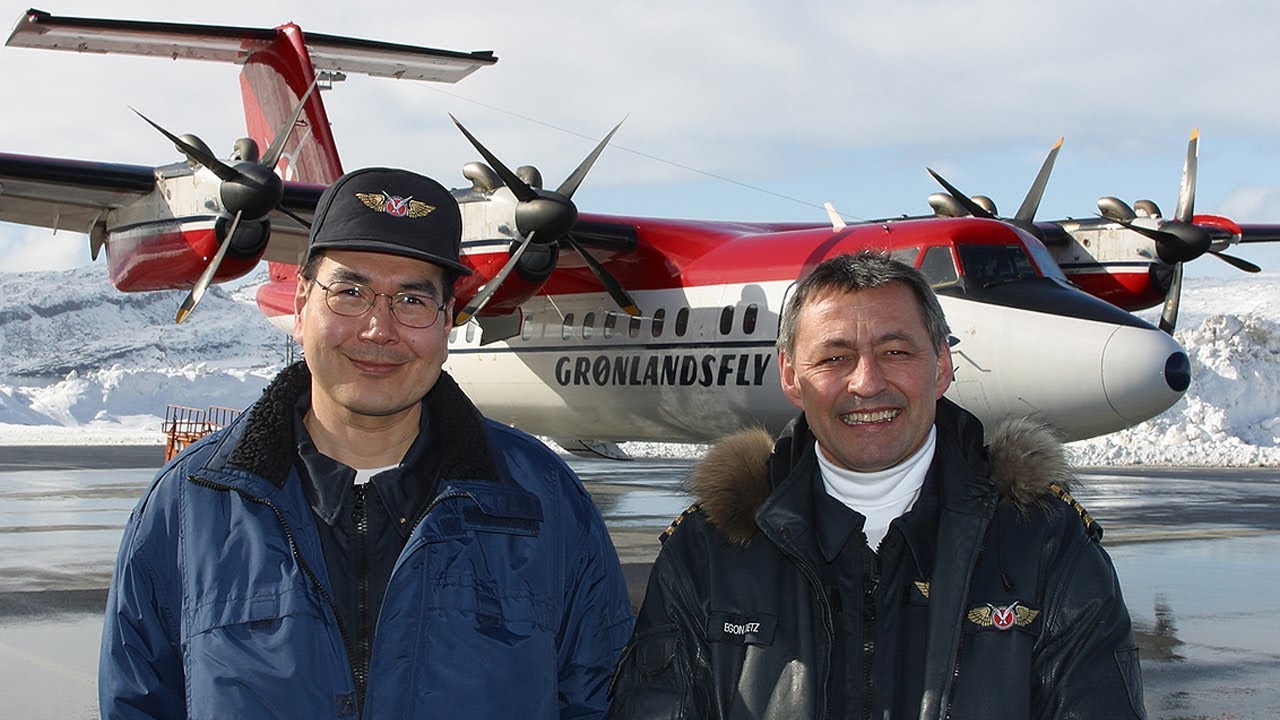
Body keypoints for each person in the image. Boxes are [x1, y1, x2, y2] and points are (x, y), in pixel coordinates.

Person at [99, 168, 634, 719]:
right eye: (349, 293)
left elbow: (604, 701)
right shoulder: (185, 506)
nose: (379, 329)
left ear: (448, 322)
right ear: (300, 305)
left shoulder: (546, 501)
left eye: (412, 300)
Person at [607, 251, 1146, 719]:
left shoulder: (1046, 544)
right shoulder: (706, 550)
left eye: (895, 352)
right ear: (791, 377)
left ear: (942, 365)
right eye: (834, 358)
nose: (866, 382)